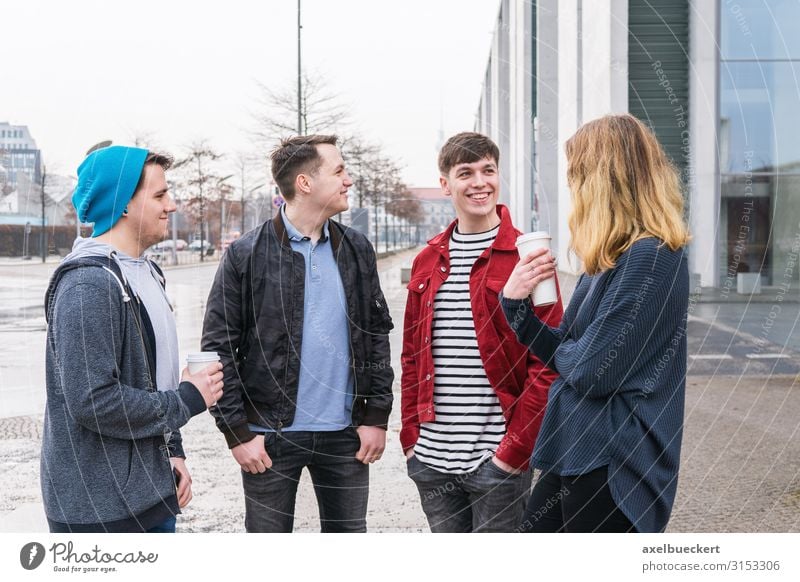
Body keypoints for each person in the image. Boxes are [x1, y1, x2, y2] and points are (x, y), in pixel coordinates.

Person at [500, 114, 690, 533]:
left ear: (604, 180)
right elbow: (569, 351)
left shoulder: (651, 257)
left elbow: (591, 372)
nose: (572, 187)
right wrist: (516, 305)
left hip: (616, 460)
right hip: (579, 446)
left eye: (577, 174)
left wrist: (574, 354)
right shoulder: (609, 259)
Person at [201, 134, 394, 533]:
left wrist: (376, 416)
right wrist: (237, 434)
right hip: (267, 437)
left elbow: (376, 335)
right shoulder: (245, 254)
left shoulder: (357, 249)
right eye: (339, 170)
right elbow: (217, 349)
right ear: (304, 183)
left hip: (346, 435)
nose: (348, 179)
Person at [41, 145, 224, 533]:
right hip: (101, 512)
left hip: (150, 491)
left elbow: (150, 378)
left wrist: (172, 451)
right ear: (123, 204)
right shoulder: (88, 284)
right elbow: (93, 401)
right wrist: (188, 399)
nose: (171, 206)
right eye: (159, 195)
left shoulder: (148, 273)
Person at [400, 132, 564, 532]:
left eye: (488, 170)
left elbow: (549, 361)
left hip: (498, 463)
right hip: (432, 462)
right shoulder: (427, 259)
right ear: (445, 185)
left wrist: (514, 453)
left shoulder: (528, 256)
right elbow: (410, 356)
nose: (479, 182)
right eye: (466, 173)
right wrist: (411, 442)